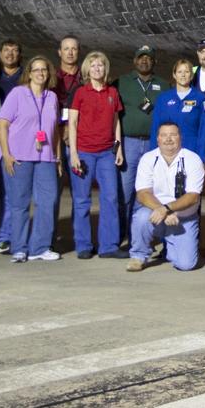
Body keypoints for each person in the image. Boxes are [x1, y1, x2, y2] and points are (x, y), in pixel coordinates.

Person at [0, 55, 62, 263]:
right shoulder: (18, 93)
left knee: (47, 201)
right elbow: (2, 124)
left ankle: (39, 247)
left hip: (46, 158)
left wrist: (58, 157)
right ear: (29, 73)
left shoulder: (52, 98)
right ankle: (19, 247)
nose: (41, 73)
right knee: (19, 203)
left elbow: (55, 131)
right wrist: (6, 153)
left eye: (44, 70)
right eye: (37, 70)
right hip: (19, 157)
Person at [68, 51, 126, 259]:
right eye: (93, 66)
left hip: (106, 154)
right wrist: (73, 153)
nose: (97, 69)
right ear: (87, 70)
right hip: (84, 152)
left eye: (100, 65)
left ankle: (108, 246)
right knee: (82, 200)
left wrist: (118, 147)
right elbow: (72, 123)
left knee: (110, 198)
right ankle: (83, 245)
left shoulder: (112, 93)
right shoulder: (80, 92)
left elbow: (116, 121)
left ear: (105, 69)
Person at [127, 121, 205, 272]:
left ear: (180, 137)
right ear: (158, 139)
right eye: (164, 135)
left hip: (183, 218)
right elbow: (142, 194)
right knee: (141, 217)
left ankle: (170, 246)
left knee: (186, 265)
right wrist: (161, 210)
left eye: (173, 135)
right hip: (155, 213)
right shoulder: (148, 159)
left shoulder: (193, 160)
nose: (168, 139)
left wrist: (167, 208)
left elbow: (193, 196)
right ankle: (138, 256)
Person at [115, 46, 168, 247]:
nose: (144, 61)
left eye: (148, 58)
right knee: (125, 191)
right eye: (140, 58)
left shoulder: (162, 85)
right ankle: (121, 235)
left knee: (147, 192)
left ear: (154, 62)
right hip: (129, 142)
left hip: (152, 145)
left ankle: (140, 236)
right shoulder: (121, 82)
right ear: (134, 61)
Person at [0, 39, 23, 254]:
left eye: (14, 50)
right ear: (0, 53)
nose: (10, 54)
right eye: (6, 50)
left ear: (20, 54)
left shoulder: (25, 77)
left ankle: (5, 236)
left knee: (9, 192)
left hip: (14, 141)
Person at [50, 35, 81, 239]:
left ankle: (80, 239)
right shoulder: (51, 78)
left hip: (78, 142)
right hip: (55, 142)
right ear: (60, 52)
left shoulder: (86, 77)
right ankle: (49, 239)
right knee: (52, 194)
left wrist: (73, 133)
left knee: (80, 195)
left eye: (74, 49)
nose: (70, 52)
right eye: (66, 48)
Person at [151, 58, 205, 158]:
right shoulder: (163, 98)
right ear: (174, 75)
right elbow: (155, 128)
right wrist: (153, 154)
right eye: (179, 72)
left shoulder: (200, 98)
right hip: (166, 151)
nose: (183, 75)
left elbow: (204, 131)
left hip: (191, 151)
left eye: (186, 72)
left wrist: (201, 158)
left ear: (191, 75)